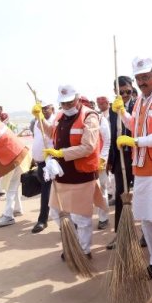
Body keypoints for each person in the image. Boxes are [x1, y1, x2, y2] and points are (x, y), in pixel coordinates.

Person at [112, 56, 152, 277]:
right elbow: (134, 126)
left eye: (145, 77)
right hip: (141, 168)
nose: (142, 82)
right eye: (138, 78)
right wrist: (123, 113)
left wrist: (135, 142)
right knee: (146, 218)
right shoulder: (140, 101)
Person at [44, 85, 107, 257]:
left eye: (70, 102)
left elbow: (88, 146)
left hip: (81, 175)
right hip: (62, 175)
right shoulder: (59, 116)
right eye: (63, 103)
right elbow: (51, 133)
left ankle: (84, 250)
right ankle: (72, 244)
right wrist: (40, 119)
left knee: (82, 217)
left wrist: (61, 153)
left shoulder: (90, 116)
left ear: (78, 99)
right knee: (57, 213)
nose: (67, 106)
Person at [106, 77, 136, 249]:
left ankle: (146, 236)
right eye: (121, 92)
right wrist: (111, 158)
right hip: (119, 157)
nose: (124, 95)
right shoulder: (112, 108)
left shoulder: (138, 104)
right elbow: (112, 134)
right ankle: (120, 233)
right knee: (120, 195)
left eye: (128, 91)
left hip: (137, 155)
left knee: (140, 195)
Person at [28, 103, 54, 233]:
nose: (43, 111)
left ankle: (42, 220)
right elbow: (37, 140)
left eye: (45, 109)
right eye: (41, 109)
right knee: (46, 190)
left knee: (47, 190)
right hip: (40, 162)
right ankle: (45, 217)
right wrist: (34, 158)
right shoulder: (36, 122)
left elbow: (53, 137)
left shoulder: (55, 120)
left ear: (52, 109)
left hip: (52, 161)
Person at [94, 96, 111, 229]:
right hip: (83, 164)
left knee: (102, 190)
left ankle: (103, 218)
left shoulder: (100, 119)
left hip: (99, 162)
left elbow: (107, 140)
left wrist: (103, 158)